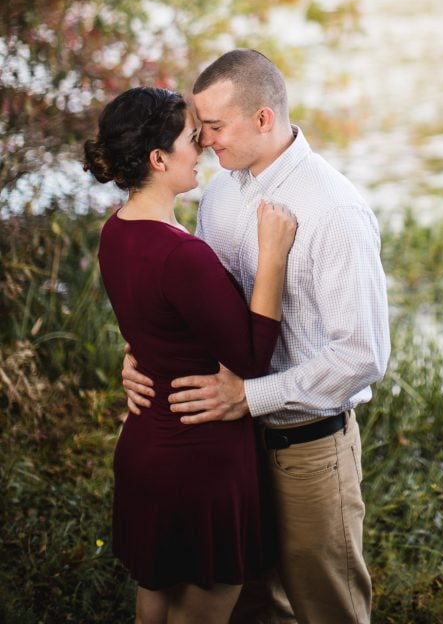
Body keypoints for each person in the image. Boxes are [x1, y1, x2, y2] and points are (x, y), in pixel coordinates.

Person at [123, 50, 391, 624]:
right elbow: (196, 309)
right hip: (227, 453)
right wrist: (142, 354)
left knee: (328, 608)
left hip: (307, 448)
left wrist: (251, 396)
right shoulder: (218, 195)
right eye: (199, 129)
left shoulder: (335, 210)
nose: (203, 141)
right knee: (248, 606)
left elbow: (363, 354)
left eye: (214, 128)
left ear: (263, 119)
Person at [83, 85, 297, 624]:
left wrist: (137, 357)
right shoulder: (182, 255)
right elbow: (250, 360)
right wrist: (271, 258)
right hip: (199, 461)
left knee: (153, 607)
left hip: (147, 447)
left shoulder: (115, 232)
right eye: (188, 138)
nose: (200, 146)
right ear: (159, 159)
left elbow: (152, 325)